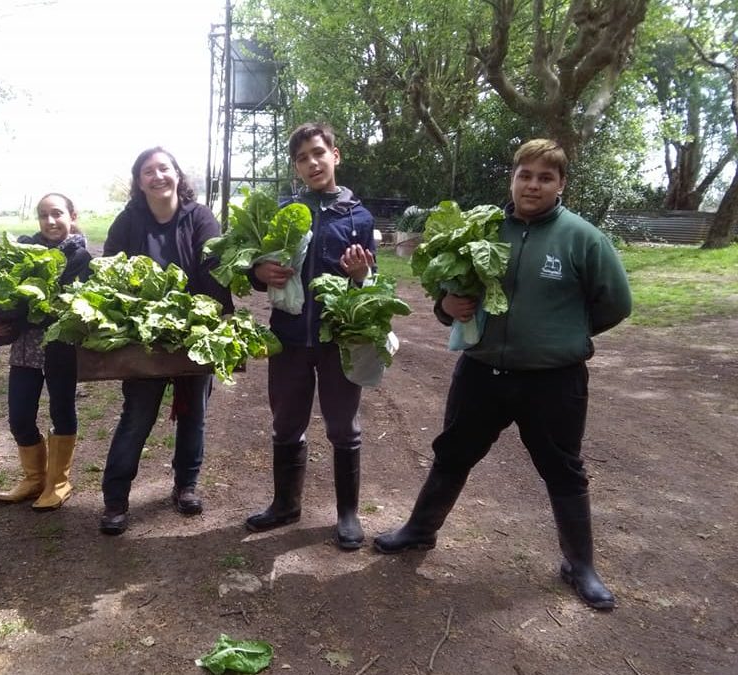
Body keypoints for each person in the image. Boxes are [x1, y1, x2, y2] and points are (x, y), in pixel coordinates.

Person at [373, 139, 633, 611]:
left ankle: (581, 565)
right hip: (481, 373)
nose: (533, 185)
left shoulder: (583, 238)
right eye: (525, 175)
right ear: (512, 179)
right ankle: (419, 531)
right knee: (452, 453)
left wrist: (565, 333)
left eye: (545, 177)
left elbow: (617, 304)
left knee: (564, 469)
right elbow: (451, 292)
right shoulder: (482, 231)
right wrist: (445, 307)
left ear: (561, 185)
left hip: (554, 382)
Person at [245, 122, 376, 551]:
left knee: (344, 428)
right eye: (302, 158)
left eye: (318, 153)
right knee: (286, 423)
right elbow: (258, 266)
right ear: (296, 167)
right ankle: (285, 505)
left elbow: (367, 285)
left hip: (339, 339)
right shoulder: (285, 211)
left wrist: (361, 275)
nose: (312, 163)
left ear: (335, 156)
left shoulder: (359, 215)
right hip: (288, 338)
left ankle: (348, 515)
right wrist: (258, 273)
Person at [98, 147, 233, 535]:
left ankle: (186, 486)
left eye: (164, 168)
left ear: (177, 174)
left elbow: (215, 265)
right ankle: (115, 499)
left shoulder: (200, 217)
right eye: (147, 172)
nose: (157, 176)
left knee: (194, 414)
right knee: (137, 415)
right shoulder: (128, 221)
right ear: (139, 182)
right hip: (144, 334)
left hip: (195, 329)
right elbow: (109, 266)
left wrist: (204, 316)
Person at [0, 193, 93, 511]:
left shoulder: (81, 257)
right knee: (19, 416)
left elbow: (63, 308)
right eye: (44, 215)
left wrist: (19, 311)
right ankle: (33, 479)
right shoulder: (21, 251)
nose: (50, 221)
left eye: (57, 214)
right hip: (25, 350)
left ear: (72, 215)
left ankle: (58, 483)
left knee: (61, 411)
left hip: (62, 348)